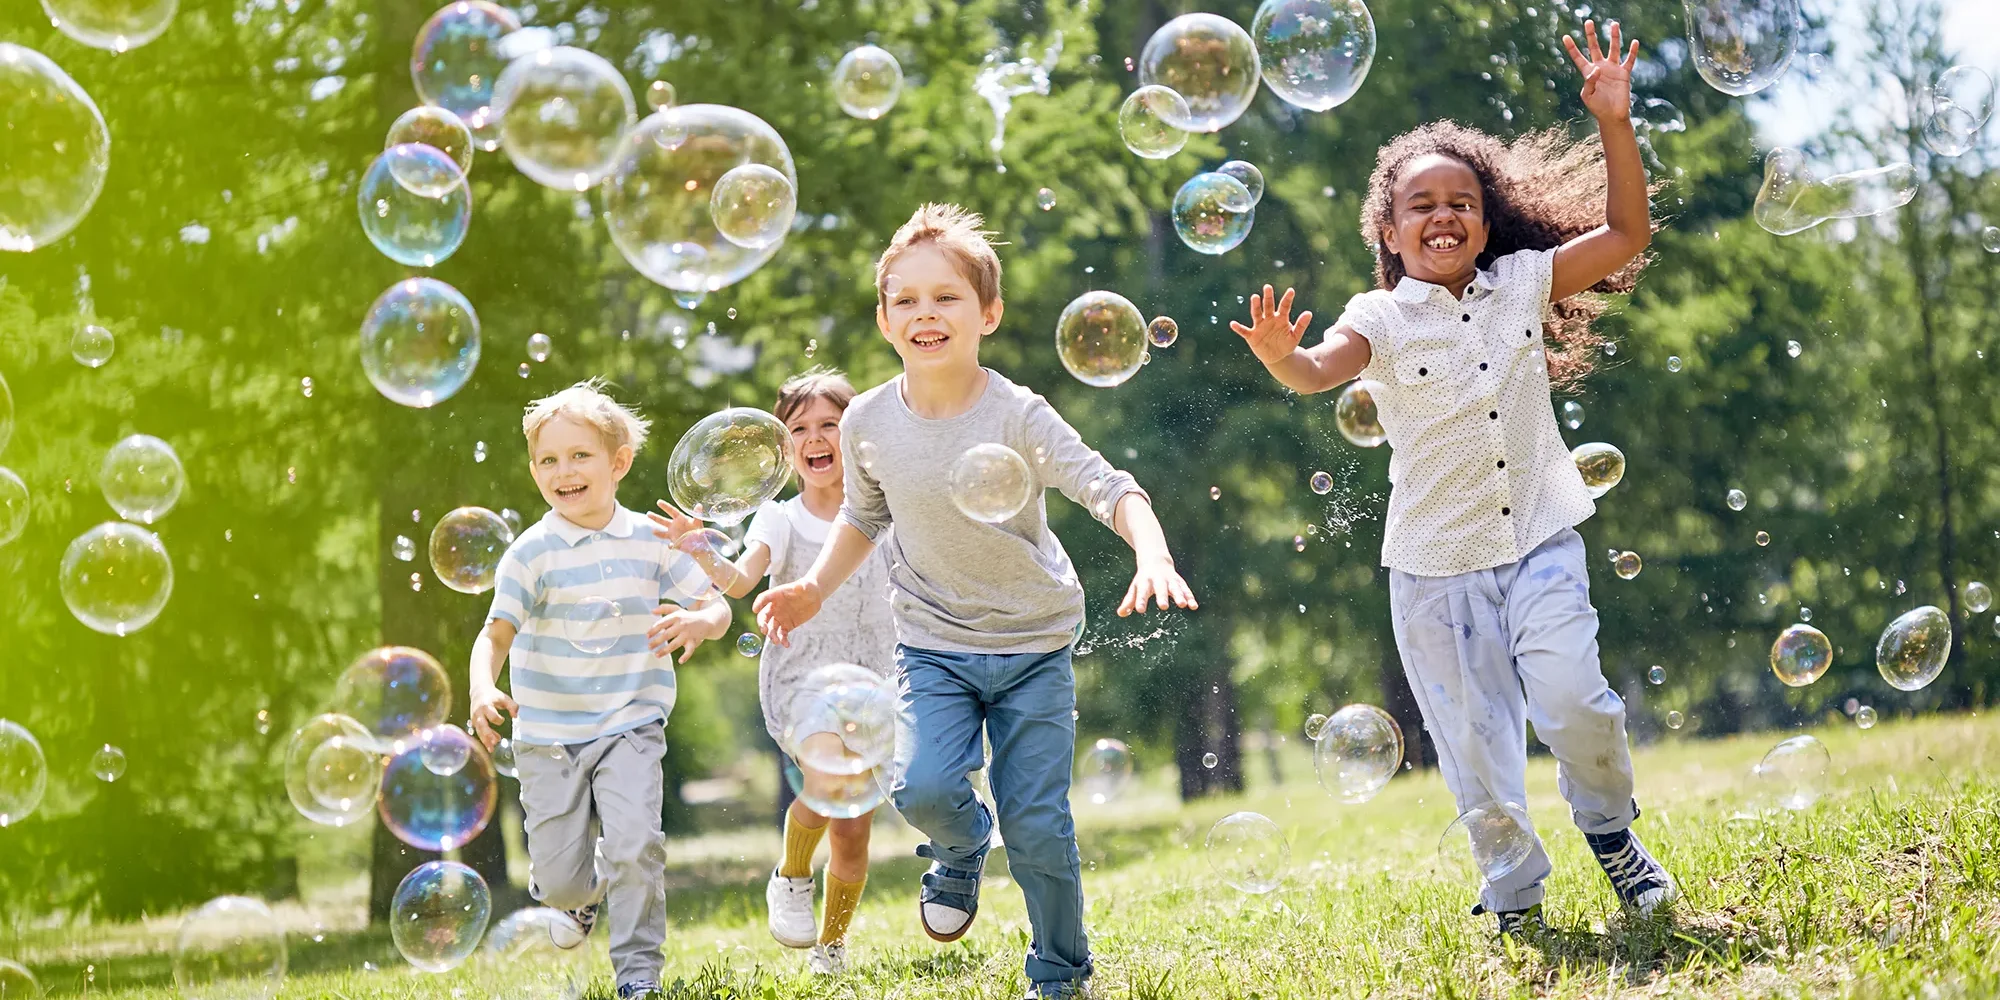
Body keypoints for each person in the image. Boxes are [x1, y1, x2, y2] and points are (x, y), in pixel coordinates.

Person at [1230, 21, 1672, 937]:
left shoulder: (1522, 282)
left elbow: (1629, 233)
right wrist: (1282, 356)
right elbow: (1319, 370)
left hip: (1540, 536)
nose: (1442, 216)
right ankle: (1513, 899)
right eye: (1420, 204)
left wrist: (1614, 124)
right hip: (1435, 570)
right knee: (1476, 755)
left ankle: (1613, 834)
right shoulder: (1380, 317)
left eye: (1461, 201)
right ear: (1389, 230)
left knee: (1577, 703)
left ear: (1486, 217)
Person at [754, 203, 1198, 999]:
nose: (927, 312)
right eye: (908, 299)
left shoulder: (1017, 413)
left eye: (947, 296)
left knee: (1041, 828)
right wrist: (811, 589)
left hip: (1033, 644)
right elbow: (864, 515)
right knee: (919, 787)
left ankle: (1062, 973)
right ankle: (961, 848)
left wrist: (1152, 550)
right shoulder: (866, 421)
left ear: (986, 312)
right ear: (886, 320)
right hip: (931, 643)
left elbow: (1108, 486)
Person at [466, 378, 732, 998]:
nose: (564, 472)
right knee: (560, 880)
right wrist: (483, 687)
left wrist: (700, 620)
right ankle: (578, 900)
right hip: (549, 734)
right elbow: (494, 634)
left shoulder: (650, 539)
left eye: (580, 456)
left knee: (636, 845)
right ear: (533, 471)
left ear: (618, 463)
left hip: (631, 723)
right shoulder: (530, 554)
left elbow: (714, 604)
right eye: (548, 460)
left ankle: (638, 975)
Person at [647, 368, 894, 977]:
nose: (816, 438)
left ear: (855, 433)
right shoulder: (778, 520)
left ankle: (832, 946)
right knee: (827, 781)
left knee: (854, 834)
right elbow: (740, 580)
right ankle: (789, 875)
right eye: (800, 429)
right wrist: (702, 549)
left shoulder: (889, 507)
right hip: (804, 678)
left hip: (880, 681)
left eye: (830, 425)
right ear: (785, 449)